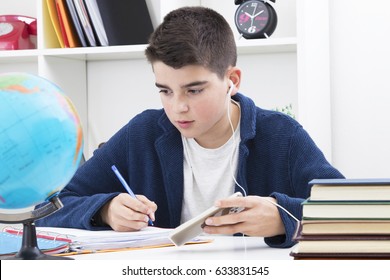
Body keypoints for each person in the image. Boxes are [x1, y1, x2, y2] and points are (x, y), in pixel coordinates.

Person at [36, 6, 344, 248]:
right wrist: (104, 209)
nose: (177, 107)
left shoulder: (282, 136)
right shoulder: (142, 133)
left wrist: (284, 217)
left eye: (194, 90)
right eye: (165, 90)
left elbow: (353, 215)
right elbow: (47, 210)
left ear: (232, 81)